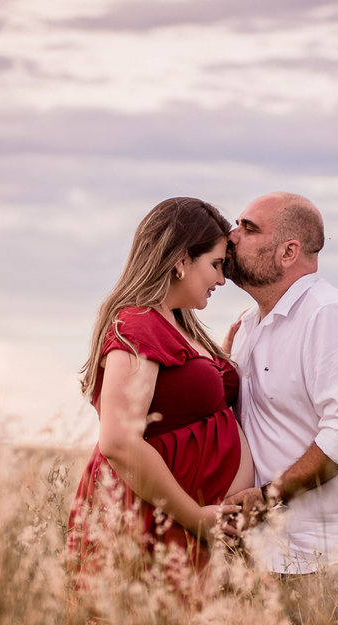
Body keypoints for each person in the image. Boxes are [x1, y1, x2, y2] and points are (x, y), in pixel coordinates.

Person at [223, 192, 338, 611]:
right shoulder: (250, 325)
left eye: (248, 228)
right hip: (273, 555)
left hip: (337, 560)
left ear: (289, 252)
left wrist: (269, 496)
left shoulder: (328, 314)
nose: (231, 236)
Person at [67, 197, 254, 588]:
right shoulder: (138, 323)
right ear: (182, 260)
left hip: (182, 522)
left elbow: (183, 397)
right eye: (216, 264)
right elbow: (119, 442)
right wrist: (195, 518)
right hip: (155, 519)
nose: (222, 280)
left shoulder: (179, 323)